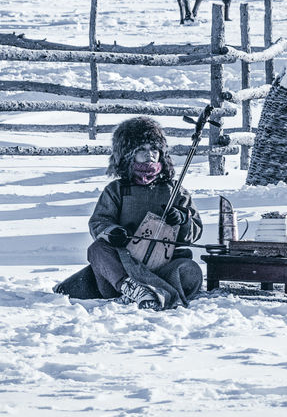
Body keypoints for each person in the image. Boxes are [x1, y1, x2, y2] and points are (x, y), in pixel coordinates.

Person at [56, 116, 205, 309]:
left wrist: (183, 219)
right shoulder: (117, 189)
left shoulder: (174, 190)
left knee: (191, 271)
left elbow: (194, 231)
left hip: (163, 265)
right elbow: (99, 223)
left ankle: (145, 289)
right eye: (142, 149)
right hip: (124, 263)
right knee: (97, 250)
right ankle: (133, 288)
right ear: (128, 154)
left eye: (154, 149)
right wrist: (114, 232)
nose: (150, 154)